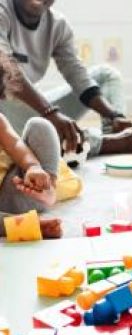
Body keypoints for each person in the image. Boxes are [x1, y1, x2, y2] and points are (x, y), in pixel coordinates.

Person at [0, 0, 132, 157]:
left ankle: (114, 131)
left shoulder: (58, 25)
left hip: (31, 109)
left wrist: (112, 115)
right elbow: (6, 70)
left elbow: (76, 74)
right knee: (36, 126)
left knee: (106, 75)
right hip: (4, 111)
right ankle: (101, 144)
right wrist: (49, 112)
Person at [0, 51, 62, 238]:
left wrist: (33, 167)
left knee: (40, 125)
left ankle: (47, 186)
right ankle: (26, 226)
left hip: (15, 193)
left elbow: (16, 146)